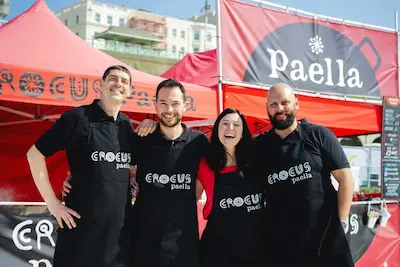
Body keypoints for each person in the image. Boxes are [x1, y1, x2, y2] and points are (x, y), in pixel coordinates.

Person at [26, 65, 134, 267]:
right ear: (101, 85)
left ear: (129, 92)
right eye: (113, 78)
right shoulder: (77, 118)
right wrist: (53, 203)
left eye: (124, 81)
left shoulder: (127, 126)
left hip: (117, 242)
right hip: (80, 237)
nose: (118, 84)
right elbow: (34, 154)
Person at [253, 83, 355, 267]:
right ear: (267, 108)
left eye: (285, 102)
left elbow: (345, 178)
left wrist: (342, 220)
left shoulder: (318, 135)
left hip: (325, 240)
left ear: (296, 104)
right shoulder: (260, 146)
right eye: (273, 105)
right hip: (282, 246)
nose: (280, 109)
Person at [129, 79, 209, 267]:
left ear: (185, 105)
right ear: (155, 104)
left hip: (183, 244)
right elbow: (116, 170)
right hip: (143, 243)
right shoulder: (141, 139)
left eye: (175, 104)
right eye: (163, 103)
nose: (169, 110)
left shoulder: (199, 143)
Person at [197, 108, 265, 267]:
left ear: (243, 132)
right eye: (225, 124)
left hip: (255, 249)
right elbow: (188, 201)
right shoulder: (205, 164)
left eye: (236, 125)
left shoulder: (258, 160)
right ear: (217, 129)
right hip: (217, 252)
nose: (230, 129)